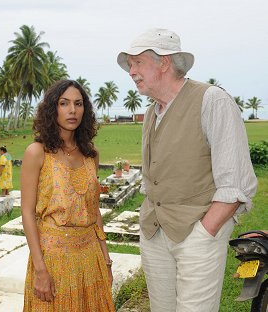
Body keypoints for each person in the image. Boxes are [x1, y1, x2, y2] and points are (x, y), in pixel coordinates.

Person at [116, 28, 258, 311]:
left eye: (137, 62)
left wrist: (204, 234)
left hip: (197, 233)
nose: (131, 71)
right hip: (155, 233)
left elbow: (236, 183)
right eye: (129, 65)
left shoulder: (212, 101)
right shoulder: (152, 115)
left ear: (164, 62)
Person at [21, 79, 115, 311]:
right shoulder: (37, 153)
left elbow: (94, 211)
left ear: (85, 110)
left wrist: (106, 259)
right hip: (53, 261)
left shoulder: (91, 154)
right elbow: (27, 213)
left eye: (78, 103)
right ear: (53, 109)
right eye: (64, 103)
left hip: (90, 257)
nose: (72, 110)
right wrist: (40, 270)